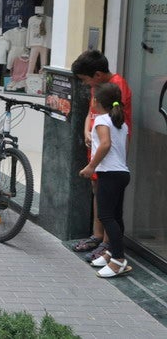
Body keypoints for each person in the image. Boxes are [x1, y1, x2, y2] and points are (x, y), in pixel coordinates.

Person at [70, 50, 132, 262]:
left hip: (109, 155)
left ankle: (110, 247)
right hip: (100, 153)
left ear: (97, 75)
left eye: (85, 80)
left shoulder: (116, 86)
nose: (86, 85)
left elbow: (108, 136)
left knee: (109, 207)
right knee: (99, 193)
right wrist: (87, 131)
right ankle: (99, 237)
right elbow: (91, 114)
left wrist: (91, 165)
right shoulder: (100, 89)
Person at [79, 82, 132, 278]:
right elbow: (122, 148)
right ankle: (111, 253)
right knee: (115, 216)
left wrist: (91, 166)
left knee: (107, 216)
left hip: (109, 174)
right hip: (121, 173)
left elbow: (106, 145)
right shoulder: (121, 123)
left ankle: (118, 260)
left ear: (96, 101)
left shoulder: (102, 120)